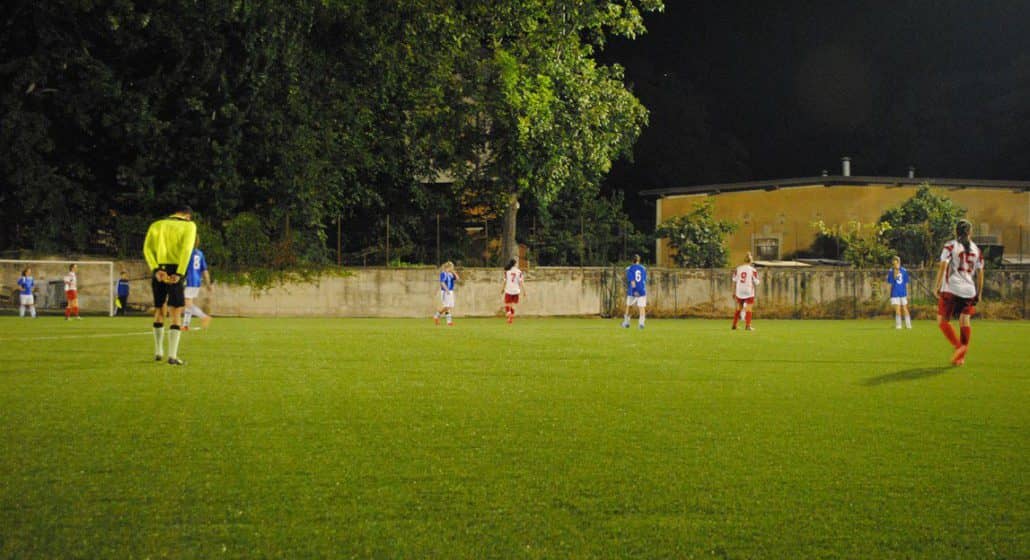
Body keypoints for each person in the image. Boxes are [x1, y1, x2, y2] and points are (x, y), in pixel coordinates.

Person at [144, 204, 197, 365]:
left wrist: (156, 269)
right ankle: (172, 356)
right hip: (175, 270)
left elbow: (147, 249)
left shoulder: (157, 225)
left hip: (159, 270)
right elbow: (186, 250)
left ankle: (158, 351)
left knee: (159, 309)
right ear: (188, 216)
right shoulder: (189, 226)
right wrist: (179, 273)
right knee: (176, 312)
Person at [933, 219, 984, 366]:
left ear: (956, 231)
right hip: (969, 290)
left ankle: (959, 346)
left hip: (951, 288)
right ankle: (961, 357)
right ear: (970, 232)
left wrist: (937, 285)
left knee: (942, 321)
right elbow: (980, 273)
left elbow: (943, 266)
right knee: (964, 320)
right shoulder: (976, 250)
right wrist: (979, 292)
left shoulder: (950, 246)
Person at [182, 241, 212, 331]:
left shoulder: (187, 252)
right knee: (188, 302)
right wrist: (208, 283)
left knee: (187, 303)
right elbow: (205, 270)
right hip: (197, 281)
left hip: (190, 279)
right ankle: (185, 325)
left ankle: (204, 317)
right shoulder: (200, 253)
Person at [732, 252, 760, 331]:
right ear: (751, 261)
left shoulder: (738, 269)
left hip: (739, 290)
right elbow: (757, 282)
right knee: (749, 308)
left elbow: (734, 280)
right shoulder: (753, 270)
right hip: (748, 291)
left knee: (738, 308)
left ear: (744, 260)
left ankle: (734, 325)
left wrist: (733, 291)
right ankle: (748, 326)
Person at [622, 254, 647, 329]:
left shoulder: (630, 269)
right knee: (641, 307)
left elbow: (632, 281)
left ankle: (626, 323)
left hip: (633, 290)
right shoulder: (643, 268)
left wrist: (635, 290)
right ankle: (641, 323)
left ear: (632, 260)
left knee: (629, 306)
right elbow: (644, 280)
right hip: (642, 289)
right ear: (639, 260)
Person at [886, 256, 912, 329]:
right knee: (900, 309)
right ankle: (904, 325)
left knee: (903, 308)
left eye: (896, 262)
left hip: (898, 292)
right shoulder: (901, 270)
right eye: (894, 262)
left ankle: (904, 325)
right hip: (897, 292)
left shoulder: (893, 270)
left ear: (898, 262)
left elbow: (890, 282)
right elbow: (906, 282)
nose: (895, 263)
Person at [433, 261, 460, 326]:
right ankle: (447, 321)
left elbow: (458, 279)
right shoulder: (443, 273)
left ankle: (437, 316)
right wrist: (446, 290)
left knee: (449, 306)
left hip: (451, 291)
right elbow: (442, 282)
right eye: (452, 267)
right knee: (446, 306)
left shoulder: (451, 274)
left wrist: (454, 272)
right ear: (449, 267)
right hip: (445, 291)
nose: (453, 268)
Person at [502, 257, 525, 324]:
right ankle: (510, 317)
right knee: (512, 304)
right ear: (515, 264)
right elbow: (521, 282)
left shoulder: (507, 272)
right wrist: (524, 291)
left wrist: (502, 289)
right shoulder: (519, 272)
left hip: (509, 290)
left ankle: (509, 313)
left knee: (507, 304)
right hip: (516, 290)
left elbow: (505, 281)